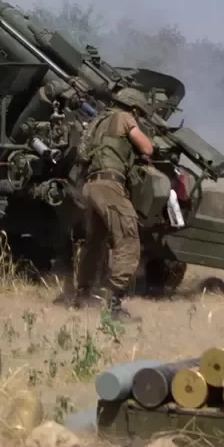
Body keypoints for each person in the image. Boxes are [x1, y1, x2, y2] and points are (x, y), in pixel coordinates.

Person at [71, 93, 156, 317]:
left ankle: (82, 295)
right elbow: (147, 148)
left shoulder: (98, 121)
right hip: (110, 185)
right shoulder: (125, 117)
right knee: (128, 240)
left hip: (91, 186)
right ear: (134, 108)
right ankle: (114, 305)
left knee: (95, 242)